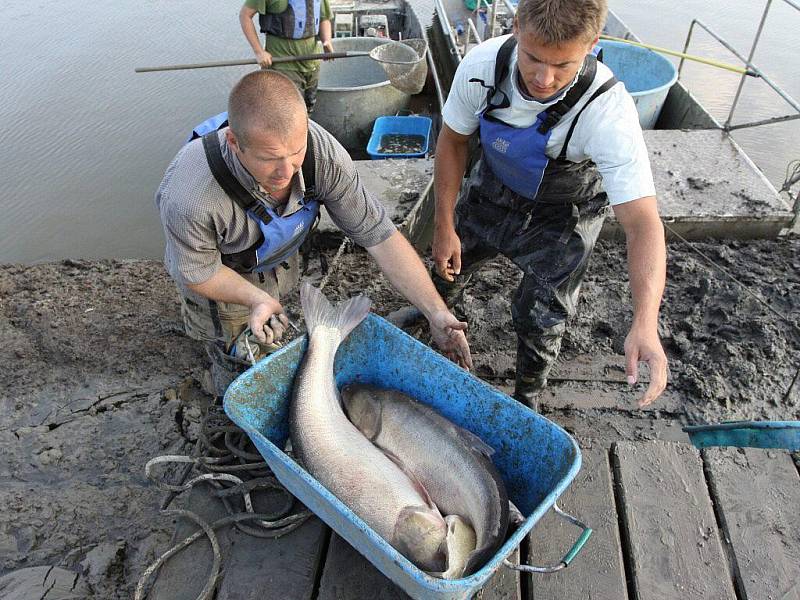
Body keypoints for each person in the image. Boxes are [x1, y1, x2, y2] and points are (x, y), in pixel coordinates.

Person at [156, 70, 472, 397]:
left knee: (276, 307)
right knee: (237, 354)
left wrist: (436, 311)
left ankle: (266, 302)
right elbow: (197, 271)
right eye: (269, 160)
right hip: (220, 270)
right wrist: (255, 298)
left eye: (296, 154)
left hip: (274, 251)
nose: (287, 172)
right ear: (235, 143)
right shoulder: (189, 198)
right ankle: (222, 381)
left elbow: (380, 236)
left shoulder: (323, 155)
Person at [431, 0, 668, 410]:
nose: (544, 79)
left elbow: (643, 224)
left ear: (593, 43)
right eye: (533, 59)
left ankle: (527, 396)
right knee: (448, 265)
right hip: (494, 186)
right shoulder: (482, 66)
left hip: (564, 212)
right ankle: (435, 322)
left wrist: (645, 321)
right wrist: (443, 224)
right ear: (517, 26)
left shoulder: (608, 111)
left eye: (563, 65)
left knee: (540, 315)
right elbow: (453, 140)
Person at [239, 0, 334, 112]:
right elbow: (245, 15)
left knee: (308, 106)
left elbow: (324, 18)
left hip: (311, 63)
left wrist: (326, 41)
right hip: (283, 64)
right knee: (288, 111)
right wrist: (259, 52)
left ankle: (305, 127)